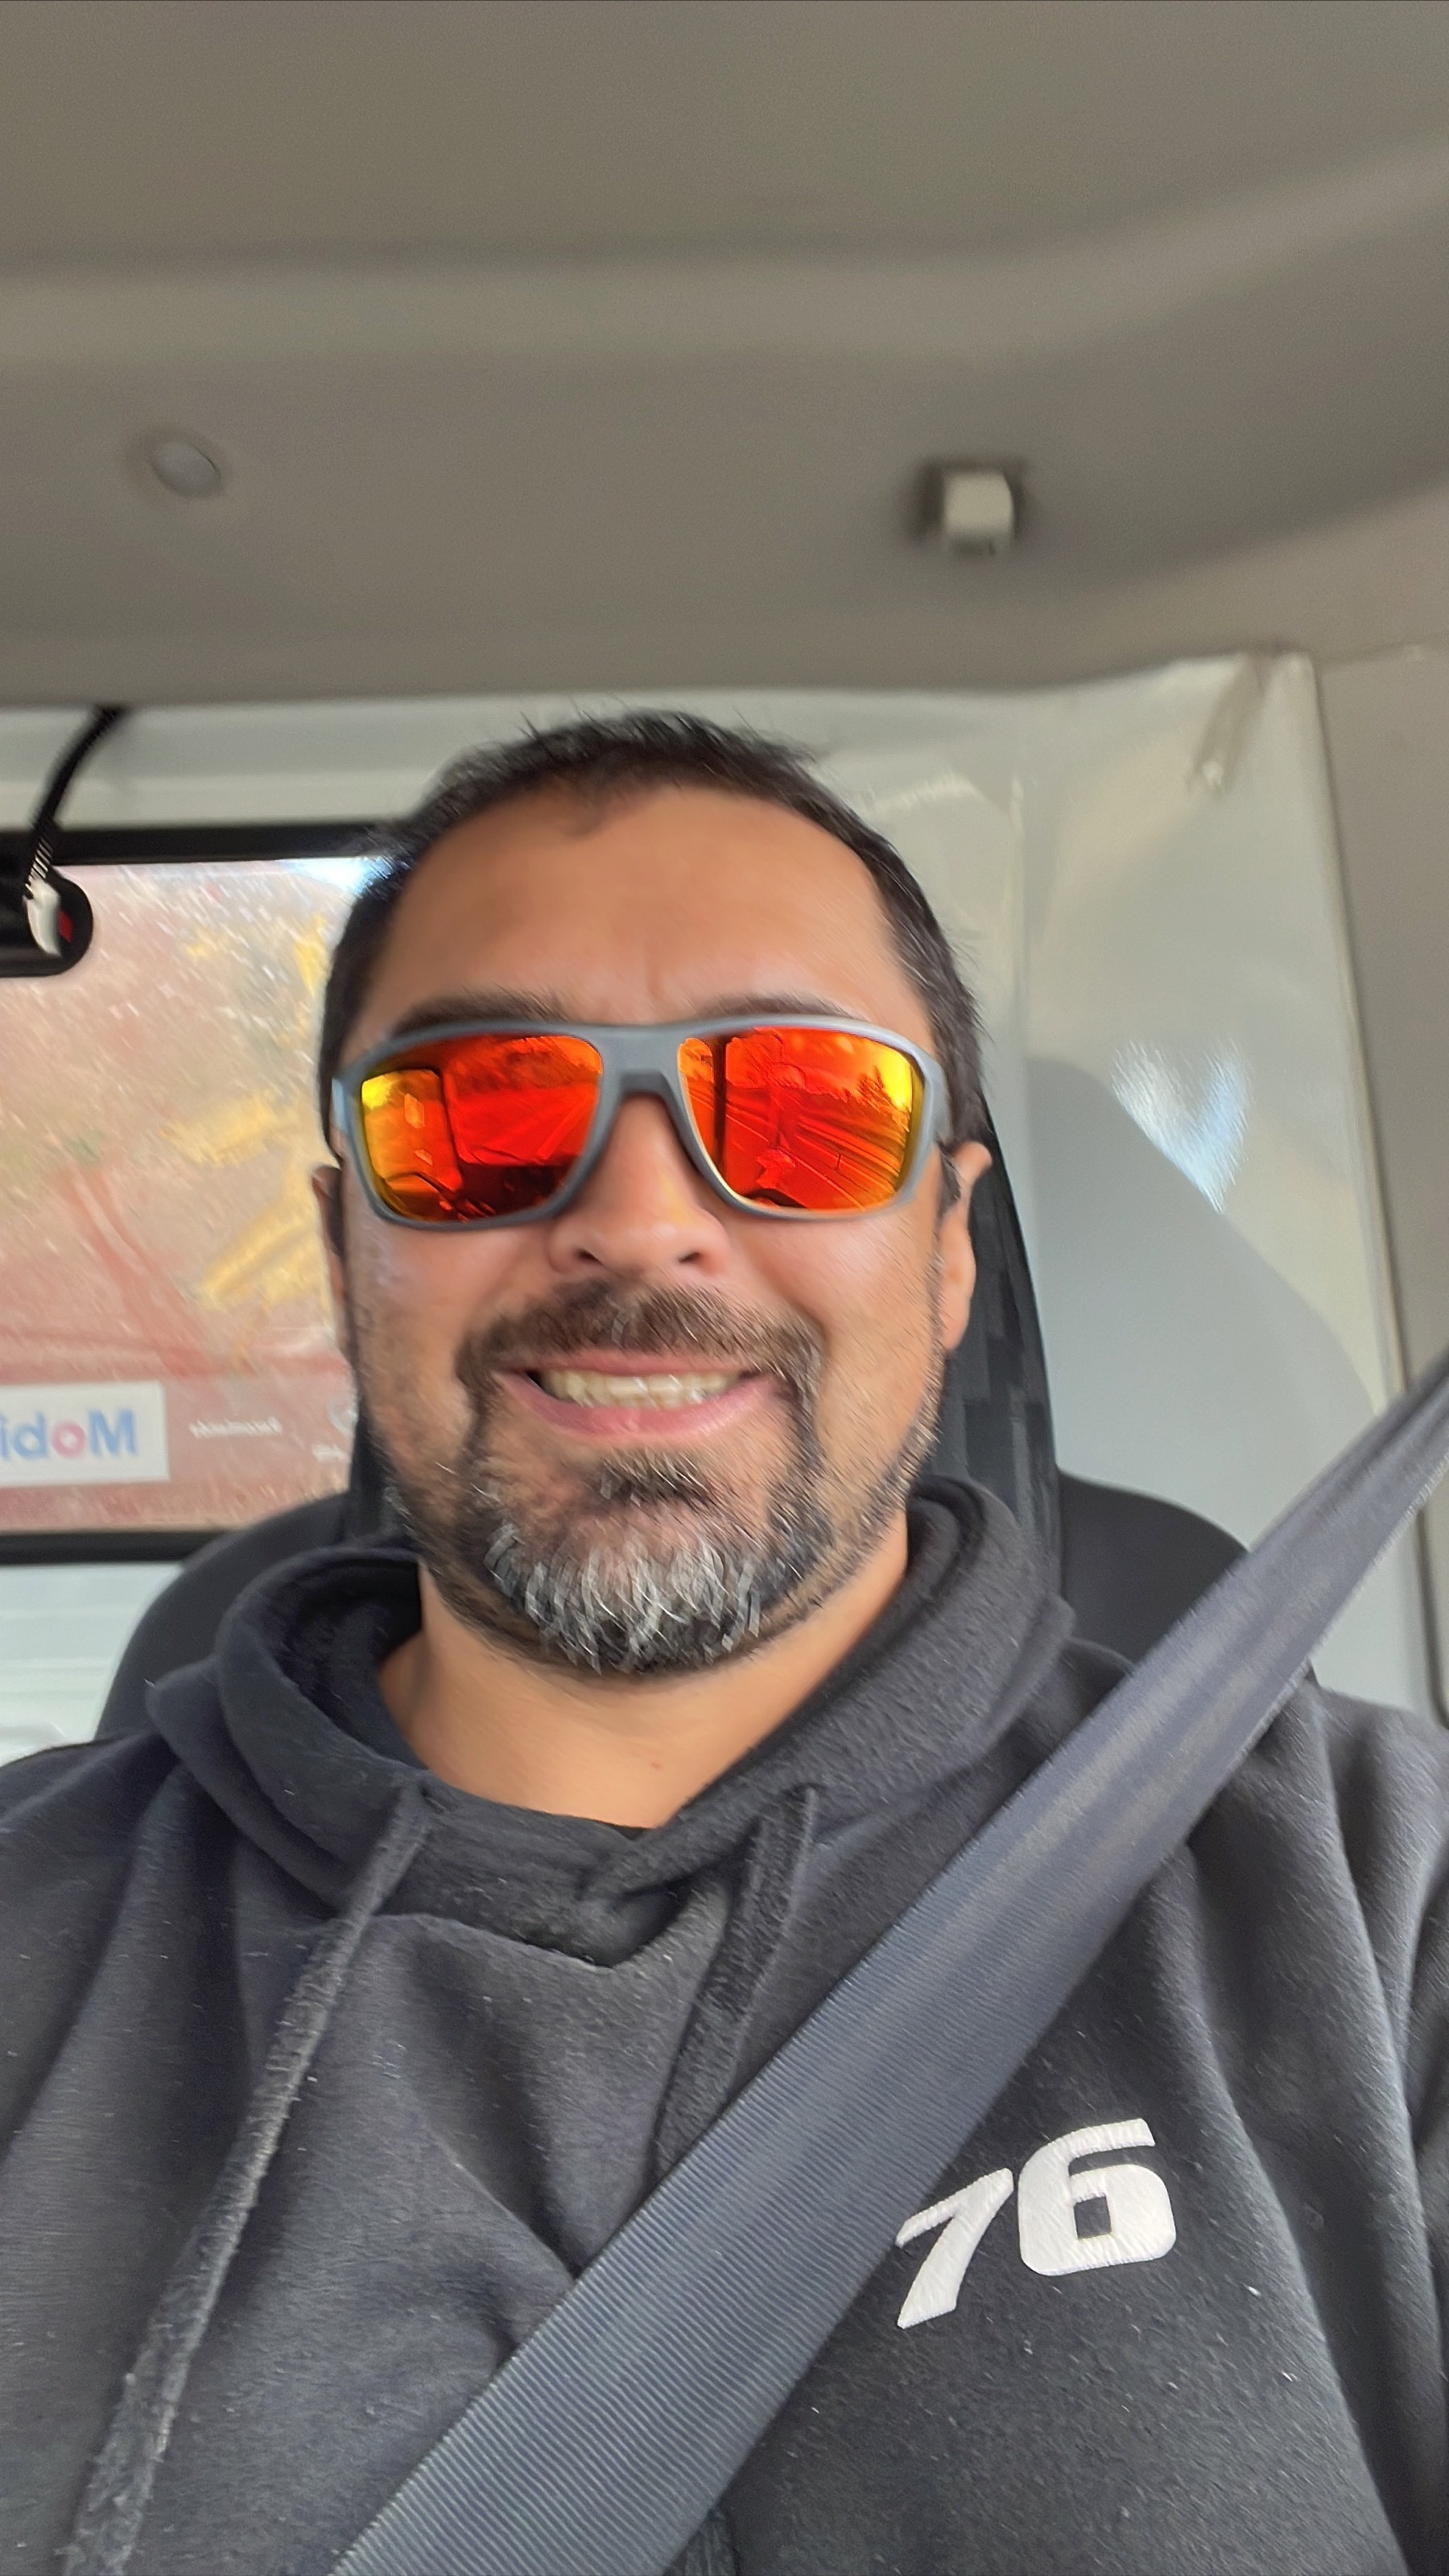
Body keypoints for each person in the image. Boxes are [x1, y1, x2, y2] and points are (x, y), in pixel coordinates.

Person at [2, 712, 1448, 2576]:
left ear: (949, 1247)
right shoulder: (32, 1938)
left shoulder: (1382, 1902)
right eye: (481, 1114)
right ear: (347, 1243)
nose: (639, 1220)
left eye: (801, 1106)